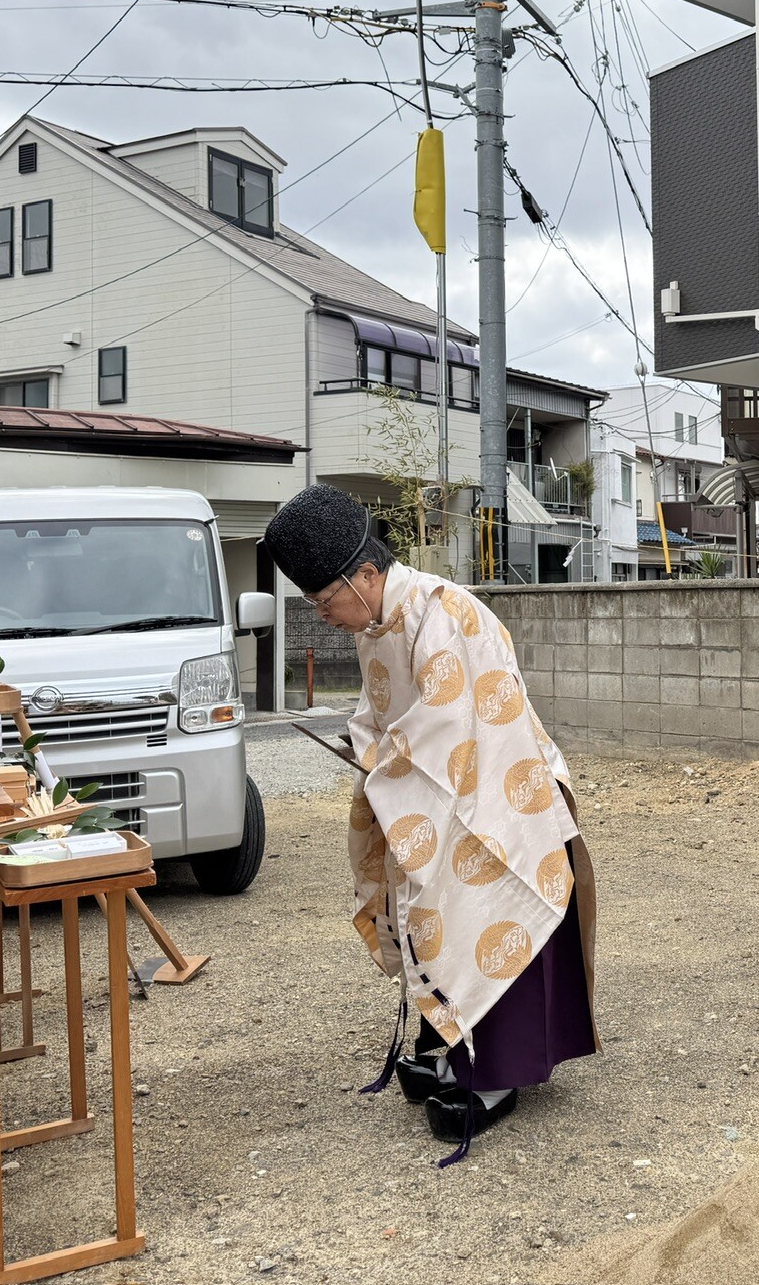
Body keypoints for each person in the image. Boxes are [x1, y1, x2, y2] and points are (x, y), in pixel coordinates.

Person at [261, 483, 598, 1162]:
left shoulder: (441, 613)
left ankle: (495, 1077)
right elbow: (378, 715)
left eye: (325, 601)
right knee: (430, 919)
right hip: (438, 798)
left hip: (497, 802)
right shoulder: (377, 624)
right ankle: (450, 1050)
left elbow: (449, 729)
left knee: (485, 918)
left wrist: (383, 764)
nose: (324, 616)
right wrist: (368, 751)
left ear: (365, 573)